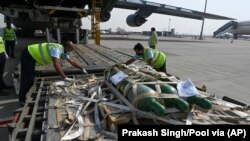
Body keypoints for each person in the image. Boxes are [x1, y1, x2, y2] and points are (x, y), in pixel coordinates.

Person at [19, 41, 88, 106]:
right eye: (70, 50)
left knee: (30, 78)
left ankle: (24, 96)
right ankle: (22, 100)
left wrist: (82, 68)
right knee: (27, 79)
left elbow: (72, 62)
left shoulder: (63, 51)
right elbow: (56, 64)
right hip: (28, 54)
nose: (70, 52)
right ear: (66, 47)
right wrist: (64, 77)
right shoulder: (57, 49)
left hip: (31, 56)